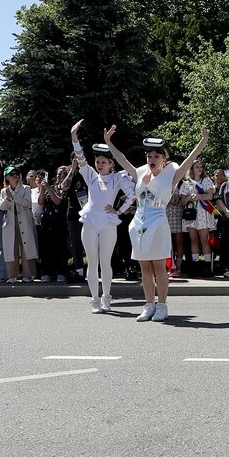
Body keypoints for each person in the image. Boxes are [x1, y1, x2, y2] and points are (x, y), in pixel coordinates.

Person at [103, 125, 208, 322]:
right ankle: (148, 305)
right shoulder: (140, 172)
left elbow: (188, 161)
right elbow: (122, 160)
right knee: (145, 269)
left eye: (156, 157)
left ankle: (162, 305)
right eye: (149, 156)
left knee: (159, 267)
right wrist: (109, 142)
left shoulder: (172, 174)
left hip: (158, 221)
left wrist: (202, 141)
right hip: (139, 223)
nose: (152, 160)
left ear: (164, 159)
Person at [70, 120, 136, 313]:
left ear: (111, 164)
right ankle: (95, 299)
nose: (99, 165)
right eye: (98, 161)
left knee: (105, 262)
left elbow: (132, 195)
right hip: (89, 221)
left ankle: (107, 296)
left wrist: (119, 210)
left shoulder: (118, 178)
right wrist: (74, 137)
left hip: (108, 223)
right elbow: (81, 158)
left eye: (103, 162)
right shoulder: (90, 175)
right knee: (92, 261)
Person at [0, 167, 37, 282]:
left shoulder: (26, 188)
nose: (15, 175)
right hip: (10, 222)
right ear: (7, 177)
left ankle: (27, 275)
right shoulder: (4, 191)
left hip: (24, 221)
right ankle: (12, 276)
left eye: (17, 173)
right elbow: (1, 206)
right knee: (11, 248)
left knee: (26, 247)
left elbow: (27, 203)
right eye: (12, 174)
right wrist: (8, 199)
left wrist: (13, 197)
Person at [184, 158, 218, 279]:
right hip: (192, 214)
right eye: (197, 166)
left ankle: (207, 267)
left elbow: (209, 196)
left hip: (203, 213)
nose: (200, 168)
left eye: (201, 167)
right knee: (193, 241)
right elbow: (183, 200)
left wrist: (197, 196)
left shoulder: (207, 180)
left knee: (204, 240)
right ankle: (195, 265)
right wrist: (189, 198)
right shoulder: (187, 182)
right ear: (192, 169)